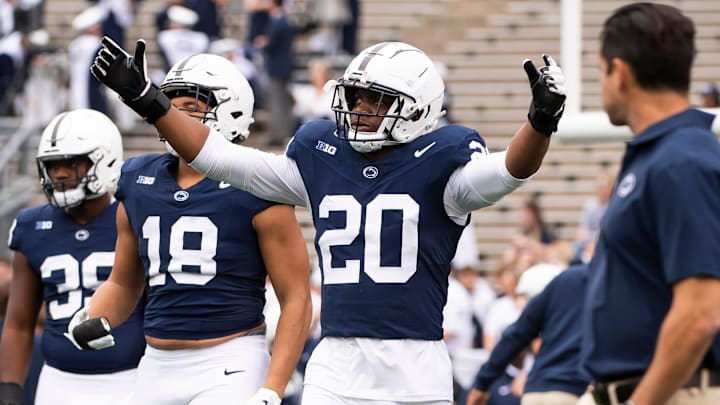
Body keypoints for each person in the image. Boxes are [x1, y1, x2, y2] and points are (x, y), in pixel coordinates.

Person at [89, 36, 567, 404]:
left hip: (415, 366)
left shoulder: (444, 169)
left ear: (418, 108)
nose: (357, 110)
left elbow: (510, 170)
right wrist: (148, 100)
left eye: (373, 101)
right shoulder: (321, 161)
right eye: (355, 97)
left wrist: (540, 122)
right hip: (336, 363)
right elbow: (221, 158)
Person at [69, 53, 312, 405]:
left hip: (230, 358)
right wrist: (97, 316)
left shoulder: (258, 185)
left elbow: (296, 299)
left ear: (231, 111)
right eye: (169, 105)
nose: (174, 116)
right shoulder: (139, 179)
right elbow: (123, 282)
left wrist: (272, 388)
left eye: (190, 106)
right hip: (155, 361)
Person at [579, 3, 720, 405]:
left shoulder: (682, 161)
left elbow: (700, 313)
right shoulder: (667, 155)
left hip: (674, 393)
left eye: (601, 71)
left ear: (619, 72)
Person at [0, 109, 145, 405]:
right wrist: (9, 388)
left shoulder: (136, 218)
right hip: (58, 381)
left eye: (73, 163)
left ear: (104, 162)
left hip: (131, 378)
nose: (61, 174)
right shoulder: (32, 225)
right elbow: (18, 322)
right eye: (53, 166)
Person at [466, 264, 590, 405]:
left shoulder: (567, 280)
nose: (521, 303)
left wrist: (482, 382)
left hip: (539, 391)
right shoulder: (598, 283)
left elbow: (516, 335)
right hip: (572, 390)